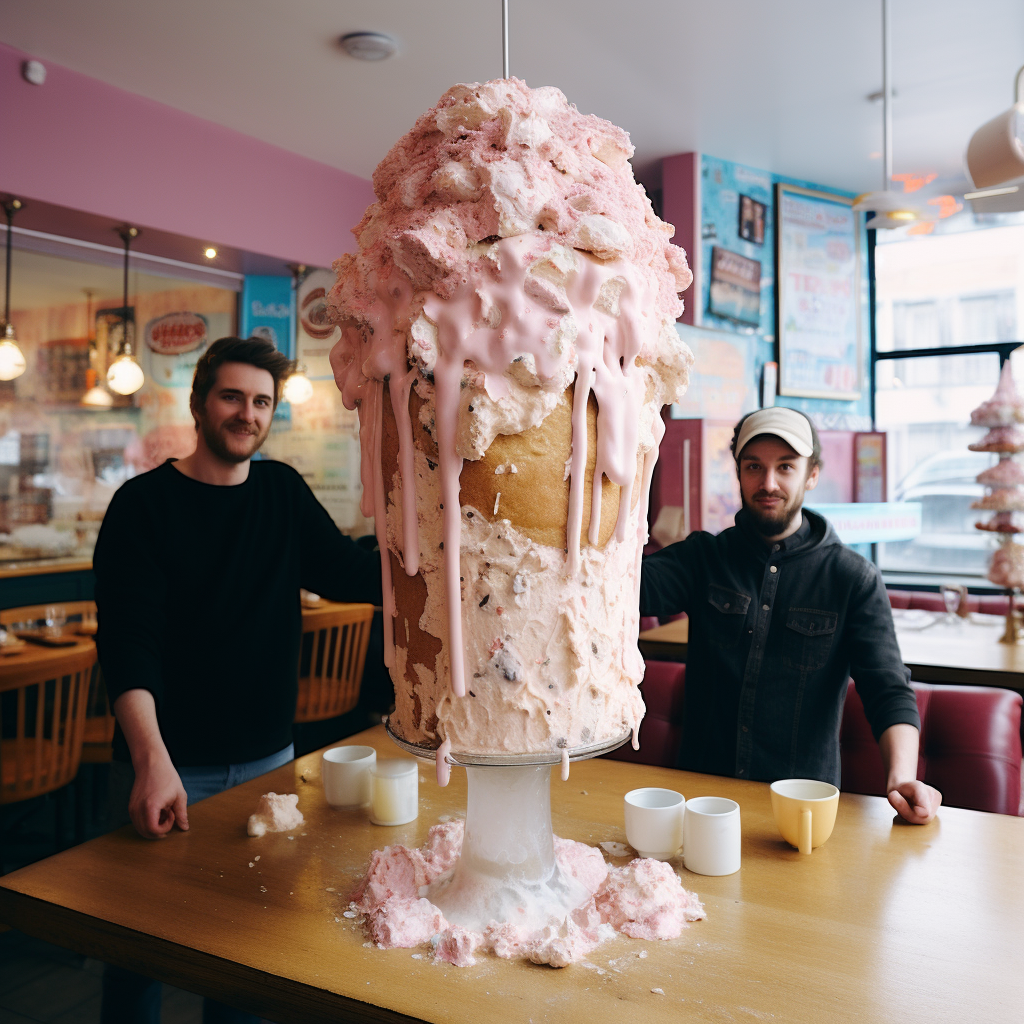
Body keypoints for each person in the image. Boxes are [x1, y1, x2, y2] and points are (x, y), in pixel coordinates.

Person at [93, 336, 382, 1024]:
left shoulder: (280, 491)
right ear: (199, 404)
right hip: (168, 768)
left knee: (248, 959)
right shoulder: (142, 506)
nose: (246, 413)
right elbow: (127, 647)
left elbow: (349, 573)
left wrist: (439, 540)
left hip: (267, 764)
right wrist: (150, 762)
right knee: (138, 956)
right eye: (232, 396)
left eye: (261, 402)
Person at [640, 407, 941, 825]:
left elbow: (888, 689)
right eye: (754, 467)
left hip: (802, 811)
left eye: (785, 467)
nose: (768, 483)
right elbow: (618, 586)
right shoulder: (702, 558)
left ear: (812, 474)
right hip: (700, 803)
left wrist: (902, 778)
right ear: (739, 472)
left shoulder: (851, 578)